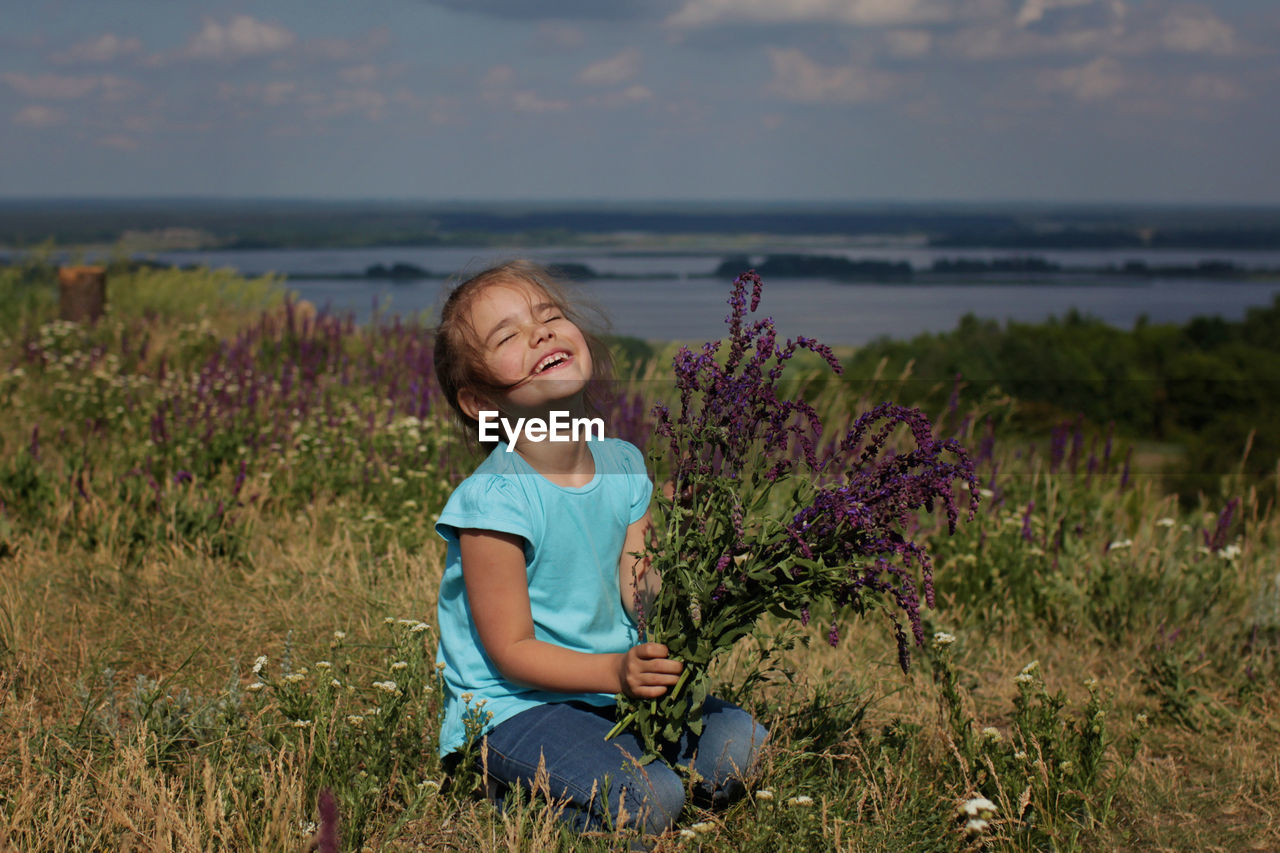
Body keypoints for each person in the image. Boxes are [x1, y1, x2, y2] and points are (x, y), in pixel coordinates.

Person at [431, 260, 767, 839]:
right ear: (480, 404)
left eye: (550, 316)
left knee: (744, 745)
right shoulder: (493, 502)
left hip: (609, 690)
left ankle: (601, 780)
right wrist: (615, 671)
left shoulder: (624, 462)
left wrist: (695, 560)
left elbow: (639, 592)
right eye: (507, 335)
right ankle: (506, 794)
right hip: (516, 707)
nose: (540, 333)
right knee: (649, 797)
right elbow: (511, 650)